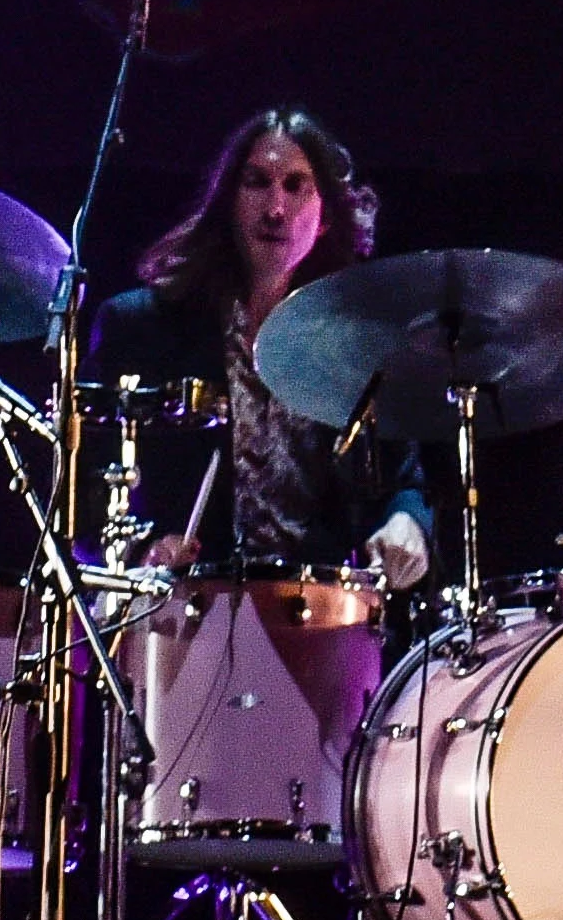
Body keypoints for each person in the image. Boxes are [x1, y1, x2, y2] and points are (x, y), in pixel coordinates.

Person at [95, 106, 436, 588]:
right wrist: (140, 548)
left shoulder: (355, 345)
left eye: (296, 186)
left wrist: (409, 523)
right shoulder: (141, 327)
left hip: (320, 611)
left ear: (324, 217)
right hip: (181, 607)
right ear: (228, 199)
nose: (276, 208)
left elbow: (406, 483)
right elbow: (82, 484)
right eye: (257, 182)